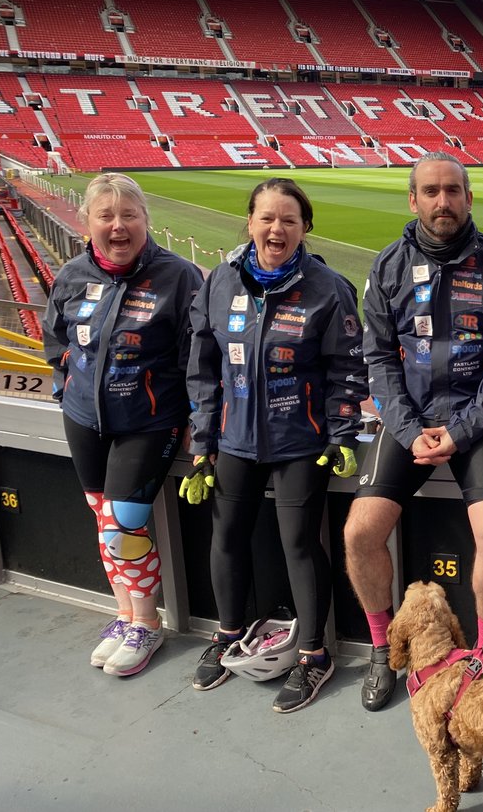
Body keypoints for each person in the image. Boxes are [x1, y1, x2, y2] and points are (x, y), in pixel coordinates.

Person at [346, 151, 483, 712]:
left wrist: (464, 429)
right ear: (413, 199)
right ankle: (382, 650)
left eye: (453, 190)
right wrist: (406, 425)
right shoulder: (388, 265)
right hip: (409, 421)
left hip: (478, 421)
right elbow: (377, 357)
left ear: (469, 198)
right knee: (359, 533)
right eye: (431, 191)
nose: (442, 201)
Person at [181, 177, 368, 713]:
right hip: (234, 441)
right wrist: (202, 443)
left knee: (299, 545)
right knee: (227, 538)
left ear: (305, 227)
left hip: (299, 442)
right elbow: (202, 368)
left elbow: (346, 370)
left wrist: (340, 434)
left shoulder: (328, 288)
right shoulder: (220, 282)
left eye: (288, 219)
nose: (276, 228)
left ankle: (313, 655)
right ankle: (228, 633)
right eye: (266, 217)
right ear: (249, 223)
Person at [42, 173, 202, 676]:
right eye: (105, 216)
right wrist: (66, 384)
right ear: (88, 222)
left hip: (149, 421)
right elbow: (55, 338)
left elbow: (198, 356)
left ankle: (147, 624)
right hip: (84, 418)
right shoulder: (72, 274)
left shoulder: (179, 276)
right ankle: (125, 611)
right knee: (102, 516)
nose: (118, 226)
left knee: (122, 526)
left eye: (128, 215)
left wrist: (198, 419)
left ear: (145, 221)